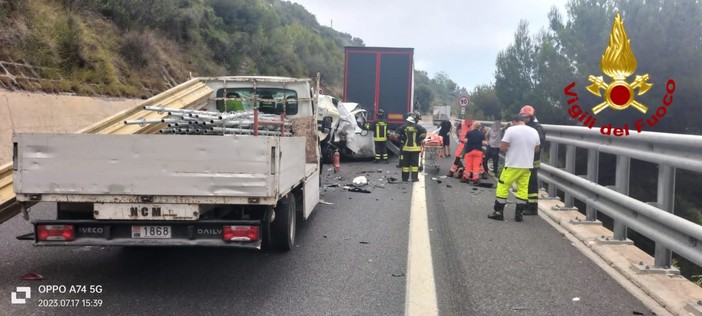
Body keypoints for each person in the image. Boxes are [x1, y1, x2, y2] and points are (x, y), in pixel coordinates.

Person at [488, 114, 540, 222]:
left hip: (512, 164)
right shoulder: (534, 131)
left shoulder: (511, 130)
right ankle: (519, 214)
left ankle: (498, 212)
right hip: (527, 166)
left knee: (503, 186)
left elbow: (502, 147)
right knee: (522, 189)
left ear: (513, 121)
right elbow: (537, 149)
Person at [519, 105, 546, 216]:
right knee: (524, 183)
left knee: (532, 183)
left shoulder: (537, 128)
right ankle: (526, 204)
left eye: (526, 117)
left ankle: (533, 207)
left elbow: (540, 143)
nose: (524, 119)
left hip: (533, 160)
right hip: (524, 159)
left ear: (531, 116)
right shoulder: (523, 127)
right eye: (523, 117)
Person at [396, 115, 427, 182]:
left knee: (405, 164)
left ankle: (405, 178)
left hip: (406, 148)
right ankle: (414, 178)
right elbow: (424, 133)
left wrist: (403, 140)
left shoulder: (404, 127)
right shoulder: (417, 127)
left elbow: (397, 133)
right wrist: (418, 140)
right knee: (414, 165)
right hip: (415, 149)